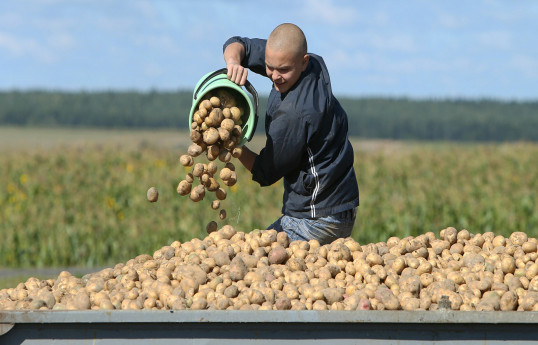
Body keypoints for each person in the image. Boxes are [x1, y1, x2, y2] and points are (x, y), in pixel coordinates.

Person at [222, 23, 359, 245]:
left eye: (283, 70)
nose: (275, 76)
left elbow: (265, 172)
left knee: (256, 256)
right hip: (339, 205)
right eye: (269, 67)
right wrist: (233, 62)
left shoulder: (296, 114)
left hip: (320, 217)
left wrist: (233, 146)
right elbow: (240, 44)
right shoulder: (302, 62)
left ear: (303, 61)